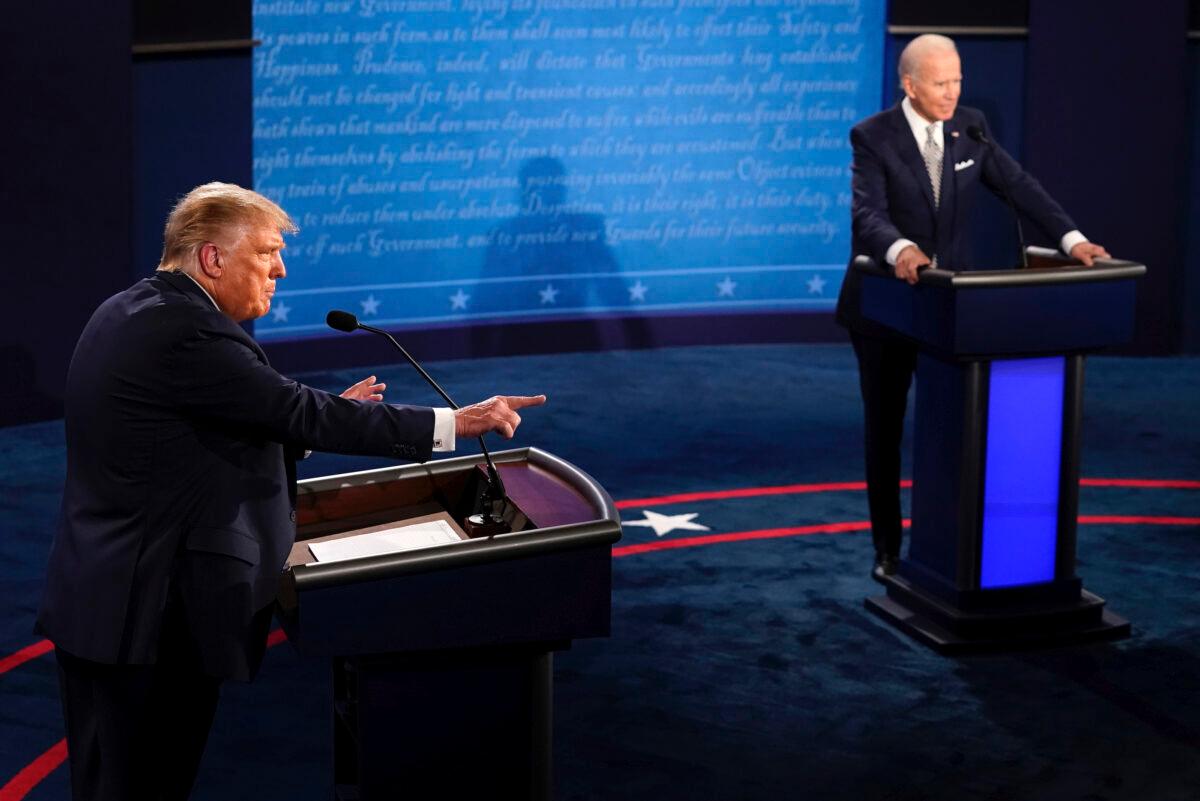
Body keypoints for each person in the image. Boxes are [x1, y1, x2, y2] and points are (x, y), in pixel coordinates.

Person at [36, 182, 546, 801]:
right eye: (267, 253)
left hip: (108, 602)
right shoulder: (190, 333)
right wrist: (455, 423)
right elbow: (297, 410)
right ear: (212, 258)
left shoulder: (133, 309)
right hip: (149, 619)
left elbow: (192, 438)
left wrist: (303, 423)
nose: (280, 269)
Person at [834, 34, 1109, 583]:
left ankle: (946, 546)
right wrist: (900, 250)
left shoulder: (972, 127)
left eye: (958, 79)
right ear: (910, 85)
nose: (953, 91)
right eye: (941, 83)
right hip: (886, 307)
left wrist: (1072, 239)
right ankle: (887, 548)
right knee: (885, 431)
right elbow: (867, 215)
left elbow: (1021, 188)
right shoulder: (873, 136)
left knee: (951, 429)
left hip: (950, 310)